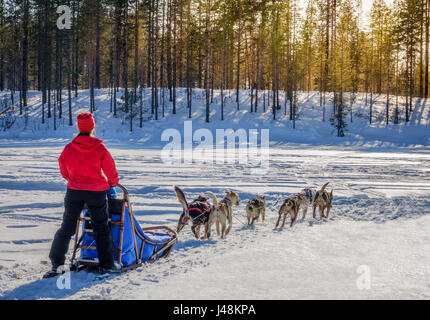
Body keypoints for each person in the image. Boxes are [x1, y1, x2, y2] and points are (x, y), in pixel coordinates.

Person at [45, 112, 120, 277]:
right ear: (92, 127)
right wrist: (112, 184)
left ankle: (57, 264)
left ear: (79, 127)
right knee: (101, 227)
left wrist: (72, 179)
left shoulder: (69, 148)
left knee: (67, 228)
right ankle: (107, 265)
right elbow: (111, 171)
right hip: (97, 193)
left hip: (74, 192)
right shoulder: (99, 148)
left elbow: (63, 167)